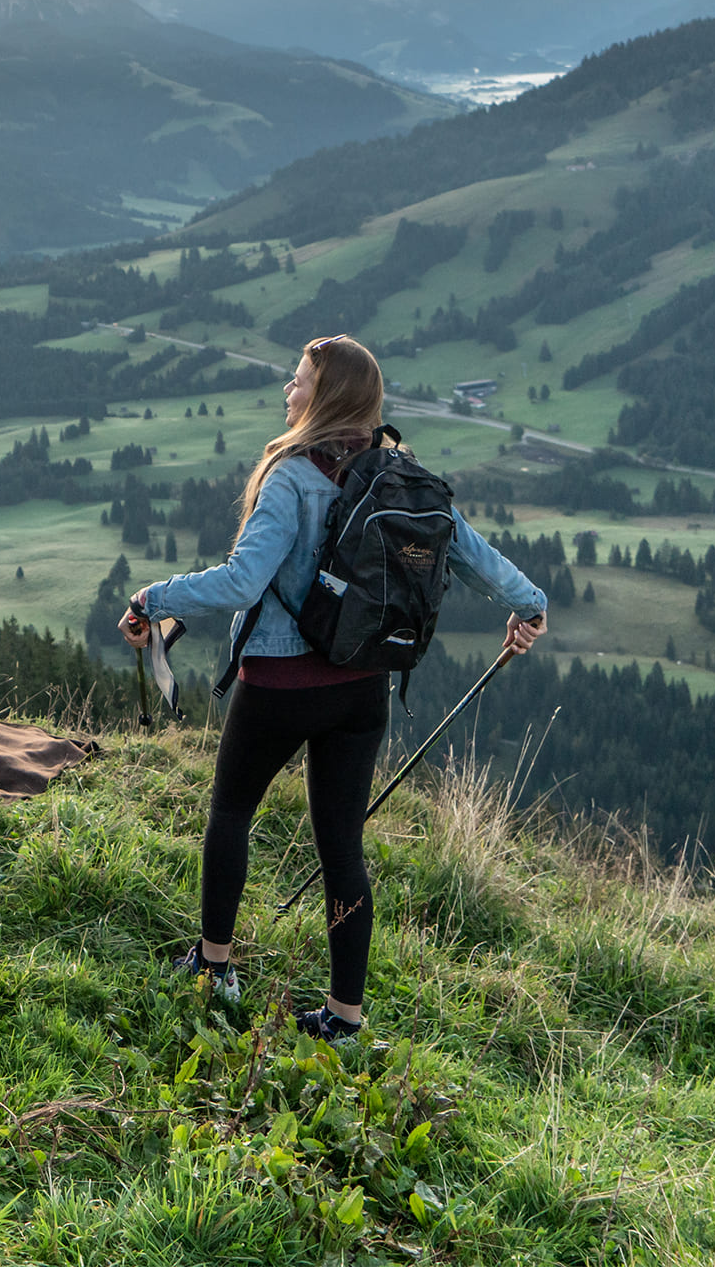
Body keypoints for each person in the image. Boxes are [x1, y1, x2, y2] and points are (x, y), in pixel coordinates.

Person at [123, 333, 544, 1040]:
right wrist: (529, 607)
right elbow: (471, 554)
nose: (287, 391)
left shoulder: (290, 478)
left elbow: (240, 582)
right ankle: (345, 1020)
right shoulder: (398, 474)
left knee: (231, 812)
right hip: (362, 689)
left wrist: (151, 597)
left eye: (297, 381)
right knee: (341, 847)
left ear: (324, 396)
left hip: (281, 682)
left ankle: (215, 969)